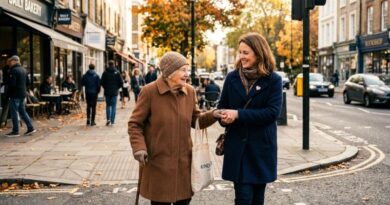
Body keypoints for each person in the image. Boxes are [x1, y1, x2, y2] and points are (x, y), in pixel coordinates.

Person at [128, 51, 223, 205]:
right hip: (159, 162)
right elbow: (135, 123)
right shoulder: (149, 92)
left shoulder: (190, 92)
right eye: (183, 70)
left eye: (187, 70)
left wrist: (214, 115)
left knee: (184, 201)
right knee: (160, 202)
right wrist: (139, 147)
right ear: (170, 72)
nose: (188, 74)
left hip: (184, 163)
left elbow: (196, 120)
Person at [217, 33, 282, 205]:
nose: (241, 57)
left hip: (261, 149)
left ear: (259, 53)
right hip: (238, 148)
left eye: (246, 52)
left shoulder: (273, 80)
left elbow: (272, 113)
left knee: (257, 199)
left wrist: (237, 114)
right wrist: (224, 117)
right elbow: (222, 107)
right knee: (243, 198)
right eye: (240, 52)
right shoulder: (232, 78)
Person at [5, 55, 36, 137]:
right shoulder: (24, 70)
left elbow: (12, 84)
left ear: (14, 61)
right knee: (22, 111)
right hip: (23, 94)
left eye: (10, 61)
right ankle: (30, 128)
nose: (9, 63)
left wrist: (8, 93)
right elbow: (28, 82)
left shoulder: (13, 70)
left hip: (15, 94)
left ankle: (15, 131)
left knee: (14, 112)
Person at [100, 60, 123, 126]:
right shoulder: (117, 72)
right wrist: (117, 88)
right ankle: (112, 121)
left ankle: (108, 119)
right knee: (113, 106)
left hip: (107, 91)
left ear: (108, 64)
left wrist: (105, 87)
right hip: (114, 92)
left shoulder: (105, 72)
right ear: (114, 64)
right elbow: (121, 82)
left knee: (108, 105)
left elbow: (102, 82)